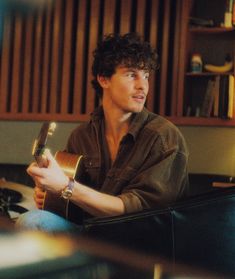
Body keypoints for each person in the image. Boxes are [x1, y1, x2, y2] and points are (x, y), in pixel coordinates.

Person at [16, 33, 189, 232]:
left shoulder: (163, 137)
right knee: (31, 221)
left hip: (141, 244)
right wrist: (49, 194)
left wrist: (66, 187)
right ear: (104, 79)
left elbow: (142, 215)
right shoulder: (81, 136)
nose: (143, 85)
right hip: (91, 236)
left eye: (146, 76)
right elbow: (73, 207)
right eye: (132, 74)